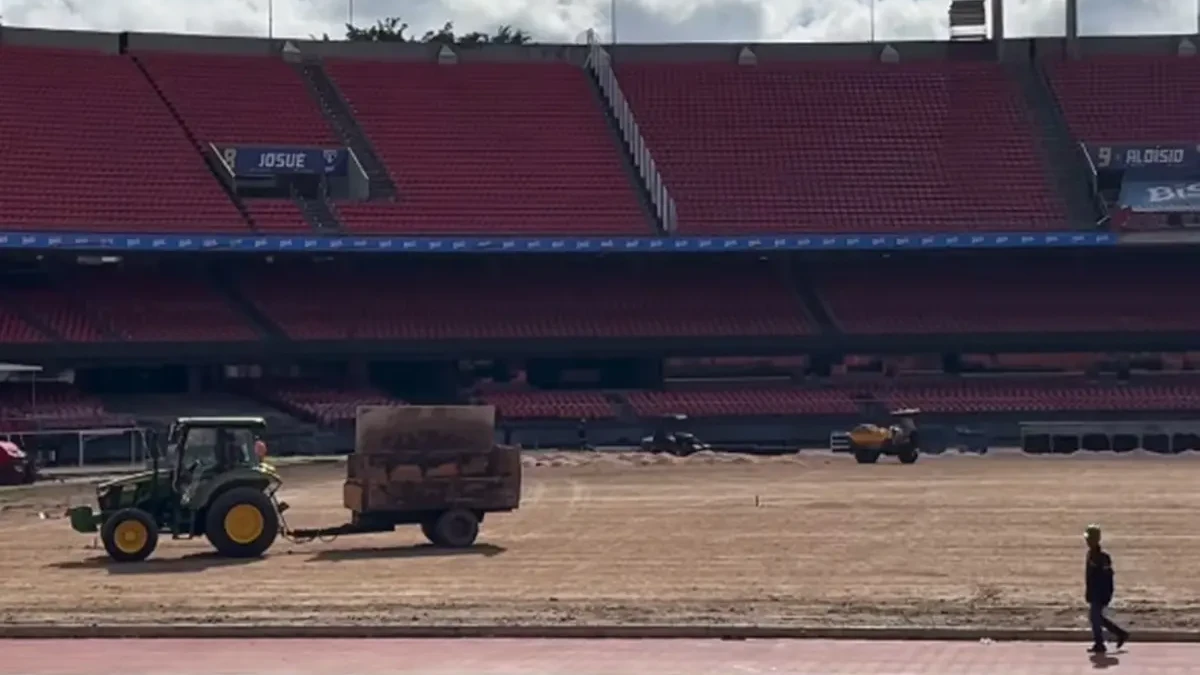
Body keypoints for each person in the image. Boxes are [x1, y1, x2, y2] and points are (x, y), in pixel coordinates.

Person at [1085, 524, 1129, 653]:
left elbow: (1108, 577)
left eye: (1089, 539)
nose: (1087, 541)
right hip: (1093, 592)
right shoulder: (1090, 554)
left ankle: (1100, 643)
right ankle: (1120, 634)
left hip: (1101, 593)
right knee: (1095, 617)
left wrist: (1106, 593)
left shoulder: (1102, 557)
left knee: (1095, 617)